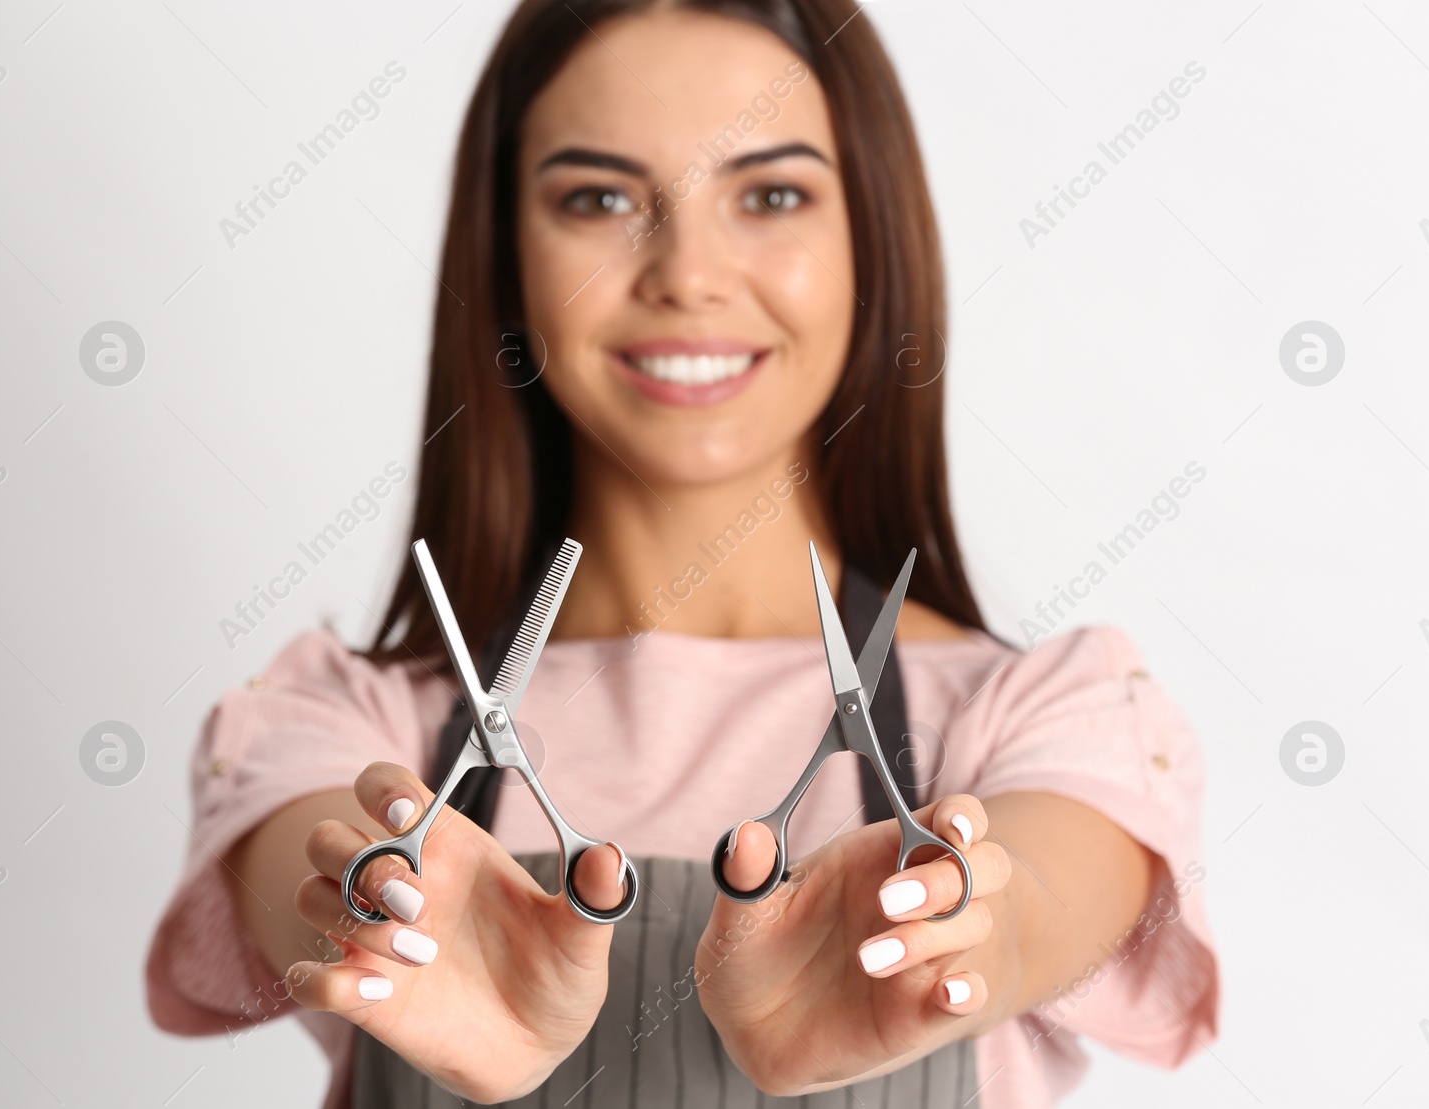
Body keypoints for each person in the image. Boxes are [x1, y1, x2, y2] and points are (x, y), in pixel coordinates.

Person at [145, 1, 1219, 1105]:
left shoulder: (1054, 717)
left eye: (770, 194)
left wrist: (945, 935)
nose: (688, 274)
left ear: (870, 245)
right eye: (600, 198)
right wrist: (381, 912)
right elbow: (309, 879)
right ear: (506, 258)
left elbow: (1032, 900)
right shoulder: (345, 724)